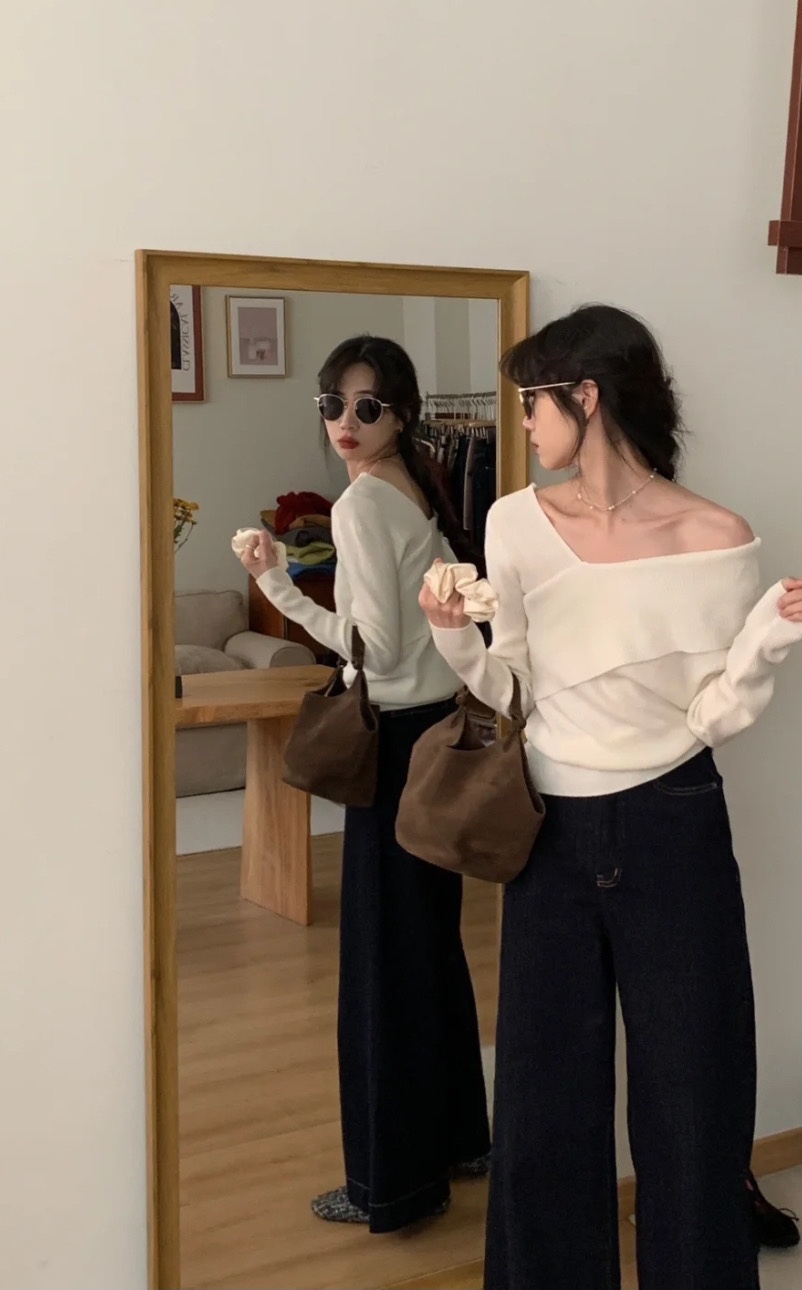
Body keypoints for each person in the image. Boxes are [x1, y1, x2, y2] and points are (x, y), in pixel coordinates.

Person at [419, 304, 802, 1290]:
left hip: (673, 819)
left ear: (586, 396)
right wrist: (452, 634)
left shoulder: (716, 537)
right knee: (543, 1099)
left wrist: (765, 642)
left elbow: (715, 712)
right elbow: (510, 689)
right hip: (548, 832)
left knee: (695, 1092)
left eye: (532, 402)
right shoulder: (514, 522)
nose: (524, 424)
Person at [237, 335, 491, 1233]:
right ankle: (460, 1140)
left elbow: (372, 650)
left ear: (402, 413)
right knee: (428, 952)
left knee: (383, 971)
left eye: (367, 407)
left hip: (393, 750)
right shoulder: (417, 486)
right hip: (435, 737)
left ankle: (394, 1184)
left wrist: (278, 585)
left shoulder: (362, 504)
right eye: (333, 405)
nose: (346, 422)